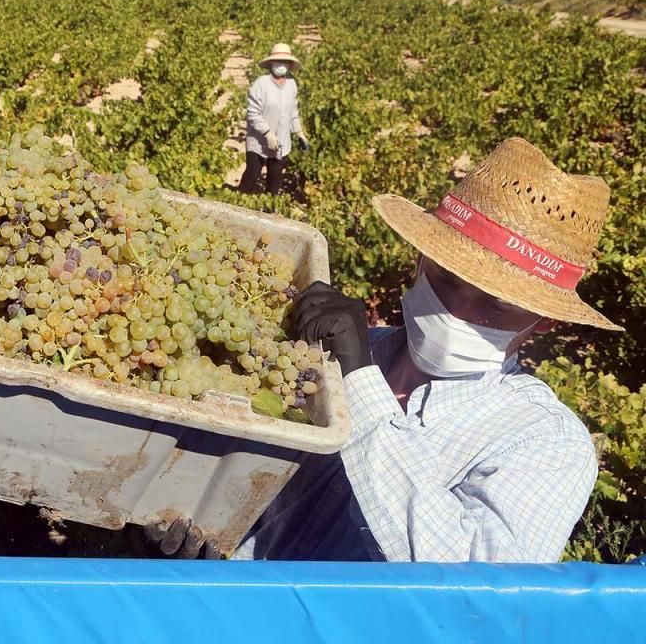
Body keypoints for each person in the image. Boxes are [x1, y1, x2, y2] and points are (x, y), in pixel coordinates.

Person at [157, 138, 618, 562]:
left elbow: (474, 584)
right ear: (419, 259)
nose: (458, 309)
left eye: (494, 306)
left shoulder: (545, 440)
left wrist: (359, 384)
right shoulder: (339, 351)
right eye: (447, 278)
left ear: (543, 323)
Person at [238, 43, 309, 196]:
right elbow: (253, 113)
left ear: (290, 65)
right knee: (252, 175)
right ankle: (237, 204)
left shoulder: (292, 84)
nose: (281, 65)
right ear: (270, 63)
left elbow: (293, 111)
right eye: (278, 61)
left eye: (285, 62)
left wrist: (299, 132)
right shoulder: (261, 84)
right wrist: (267, 133)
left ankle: (269, 212)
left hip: (281, 142)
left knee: (275, 179)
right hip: (258, 141)